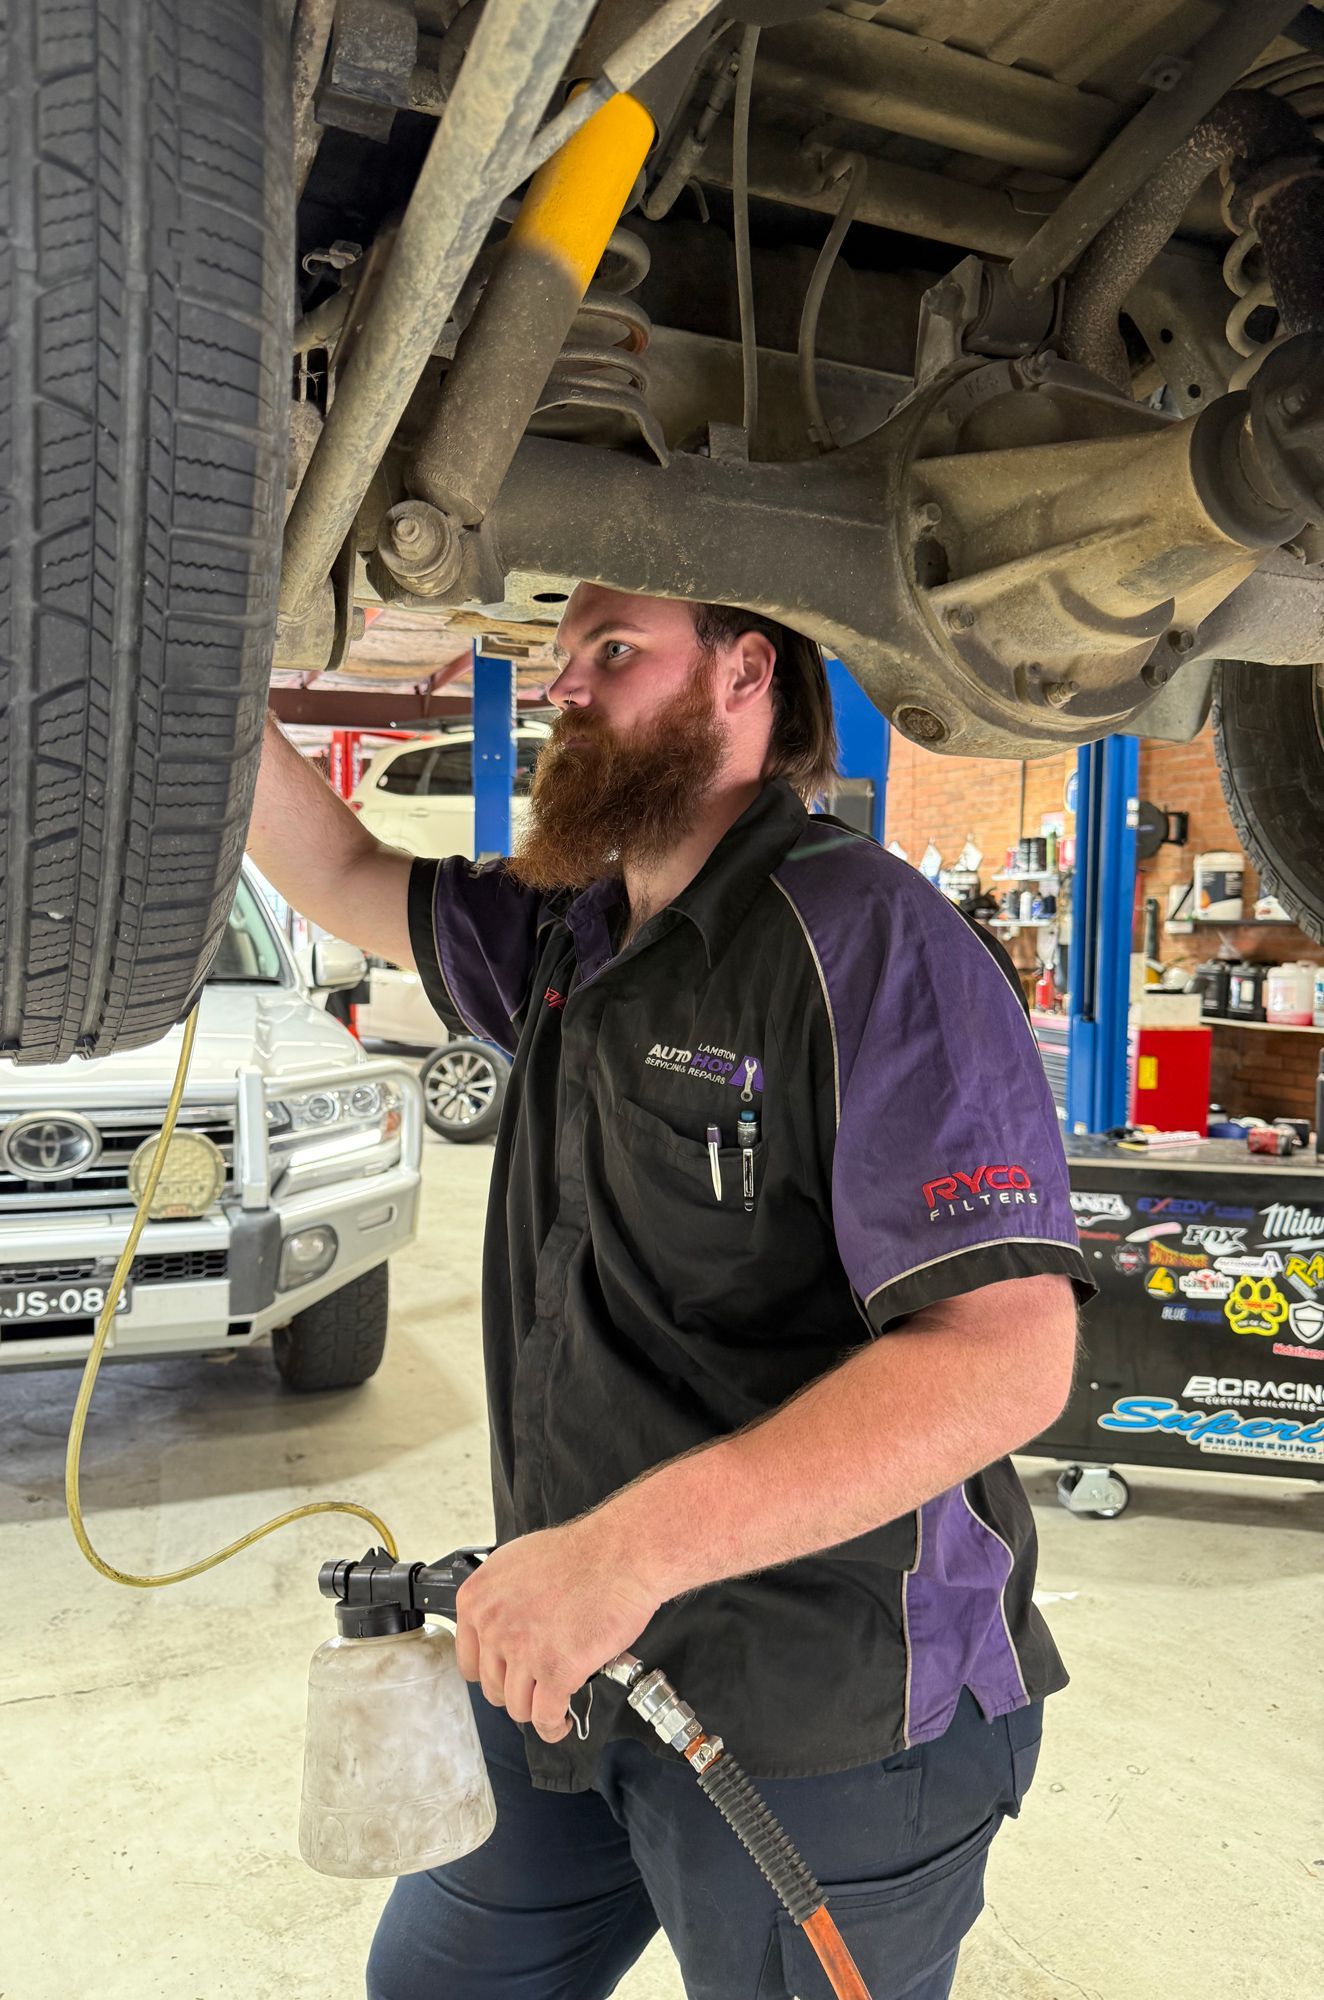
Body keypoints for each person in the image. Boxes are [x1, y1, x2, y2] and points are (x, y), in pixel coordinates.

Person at [247, 585, 1092, 2000]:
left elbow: (1005, 1360)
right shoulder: (572, 937)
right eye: (559, 658)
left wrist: (620, 1557)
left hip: (829, 1721)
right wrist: (181, 661)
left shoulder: (869, 943)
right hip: (582, 1670)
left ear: (746, 670)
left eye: (614, 654)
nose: (566, 689)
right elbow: (333, 869)